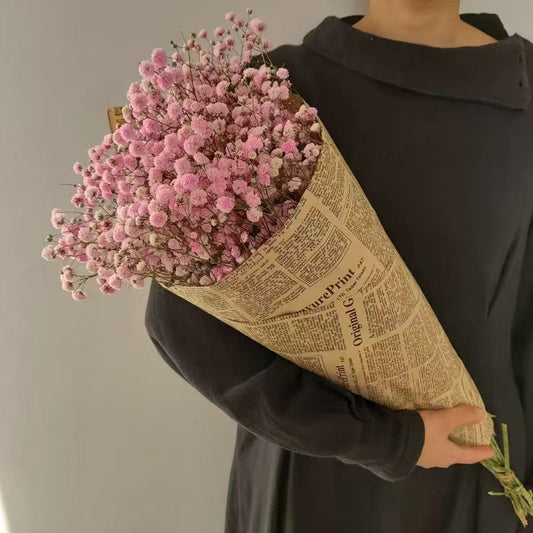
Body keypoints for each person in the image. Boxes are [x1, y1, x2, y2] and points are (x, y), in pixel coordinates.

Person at [144, 4, 533, 532]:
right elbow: (183, 322)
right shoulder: (275, 90)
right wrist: (382, 439)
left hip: (479, 470)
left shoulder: (523, 89)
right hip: (313, 476)